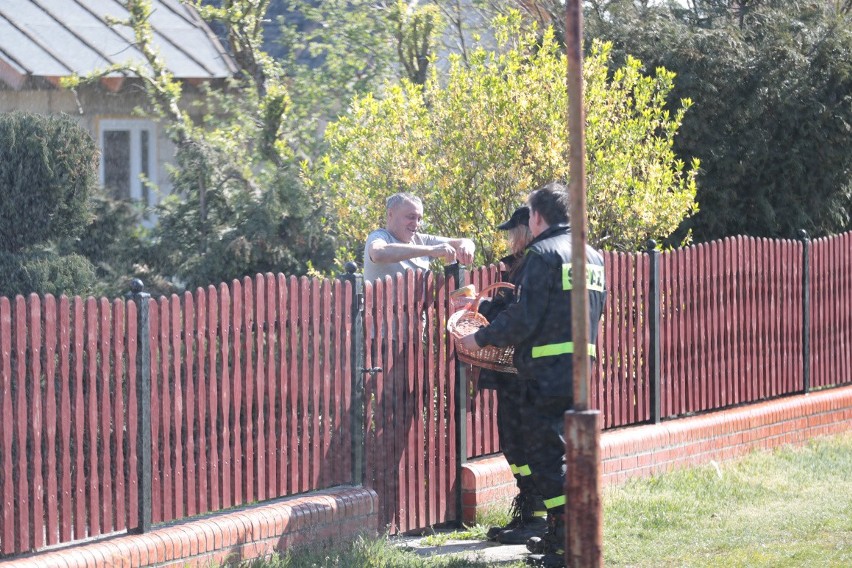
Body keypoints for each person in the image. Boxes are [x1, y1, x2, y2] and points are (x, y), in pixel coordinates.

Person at [458, 183, 606, 568]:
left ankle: (565, 542)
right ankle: (564, 534)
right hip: (580, 369)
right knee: (566, 454)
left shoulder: (542, 254)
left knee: (545, 458)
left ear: (537, 217)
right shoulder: (592, 256)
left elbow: (525, 317)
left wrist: (480, 338)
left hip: (545, 371)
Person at [477, 206, 548, 545]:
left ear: (526, 229)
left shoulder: (535, 265)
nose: (508, 239)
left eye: (512, 232)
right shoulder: (514, 266)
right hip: (510, 373)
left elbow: (519, 315)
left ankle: (537, 519)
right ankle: (528, 513)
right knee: (511, 443)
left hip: (525, 372)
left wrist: (488, 320)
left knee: (526, 445)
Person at [363, 193, 475, 282]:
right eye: (411, 217)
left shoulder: (421, 240)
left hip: (422, 311)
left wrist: (465, 247)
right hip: (384, 311)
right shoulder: (379, 236)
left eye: (419, 219)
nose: (416, 224)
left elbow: (464, 241)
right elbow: (378, 253)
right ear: (390, 214)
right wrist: (431, 250)